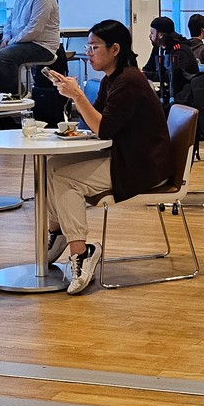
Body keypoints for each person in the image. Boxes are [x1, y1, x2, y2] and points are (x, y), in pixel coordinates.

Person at [44, 19, 171, 295]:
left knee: (66, 179)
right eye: (88, 47)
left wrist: (77, 96)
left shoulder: (129, 81)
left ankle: (81, 251)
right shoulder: (113, 79)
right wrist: (76, 98)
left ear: (115, 49)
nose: (88, 53)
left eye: (94, 47)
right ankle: (58, 231)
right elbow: (98, 121)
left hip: (140, 165)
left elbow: (103, 128)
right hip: (127, 156)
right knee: (53, 164)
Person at [143, 15, 198, 104]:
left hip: (182, 97)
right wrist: (144, 74)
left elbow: (171, 76)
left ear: (160, 35)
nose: (150, 36)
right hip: (165, 92)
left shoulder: (180, 50)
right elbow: (148, 68)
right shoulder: (158, 48)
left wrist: (145, 74)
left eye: (152, 33)